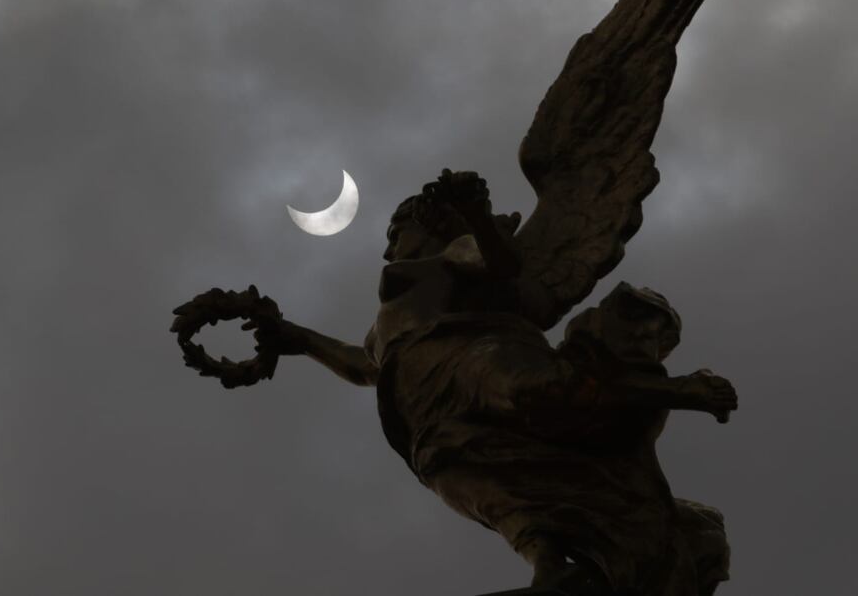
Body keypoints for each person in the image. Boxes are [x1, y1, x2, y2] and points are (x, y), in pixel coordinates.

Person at [245, 170, 736, 594]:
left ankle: (678, 390)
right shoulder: (386, 325)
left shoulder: (455, 254)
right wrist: (298, 338)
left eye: (397, 231)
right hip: (428, 410)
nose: (389, 245)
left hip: (477, 359)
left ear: (429, 225)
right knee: (476, 480)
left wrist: (476, 216)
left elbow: (502, 264)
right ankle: (550, 570)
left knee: (538, 394)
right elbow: (364, 366)